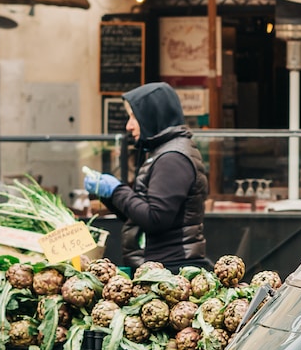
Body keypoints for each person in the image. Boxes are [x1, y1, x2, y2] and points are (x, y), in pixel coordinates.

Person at [84, 81, 208, 270]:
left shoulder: (172, 158)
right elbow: (139, 216)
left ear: (152, 115)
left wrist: (117, 189)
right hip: (160, 267)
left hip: (171, 269)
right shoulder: (164, 152)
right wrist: (108, 195)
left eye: (134, 117)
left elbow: (155, 218)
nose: (129, 126)